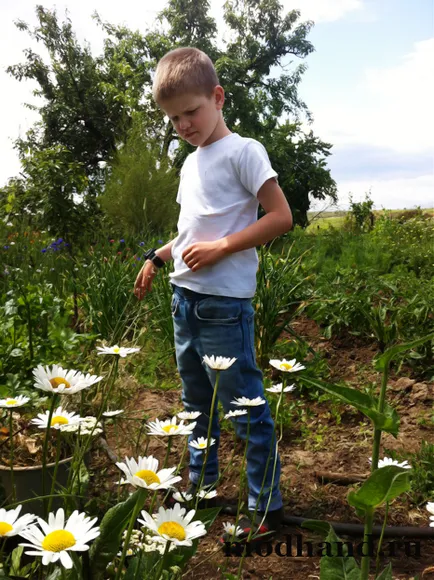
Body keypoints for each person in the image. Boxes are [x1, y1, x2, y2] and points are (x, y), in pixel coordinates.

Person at [134, 47, 293, 542]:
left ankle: (265, 507)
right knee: (195, 403)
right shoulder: (189, 164)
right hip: (185, 300)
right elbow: (189, 233)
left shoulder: (244, 151)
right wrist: (159, 257)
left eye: (191, 111)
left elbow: (279, 217)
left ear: (217, 97)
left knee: (244, 407)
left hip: (225, 307)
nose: (183, 124)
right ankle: (201, 489)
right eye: (173, 117)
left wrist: (224, 246)